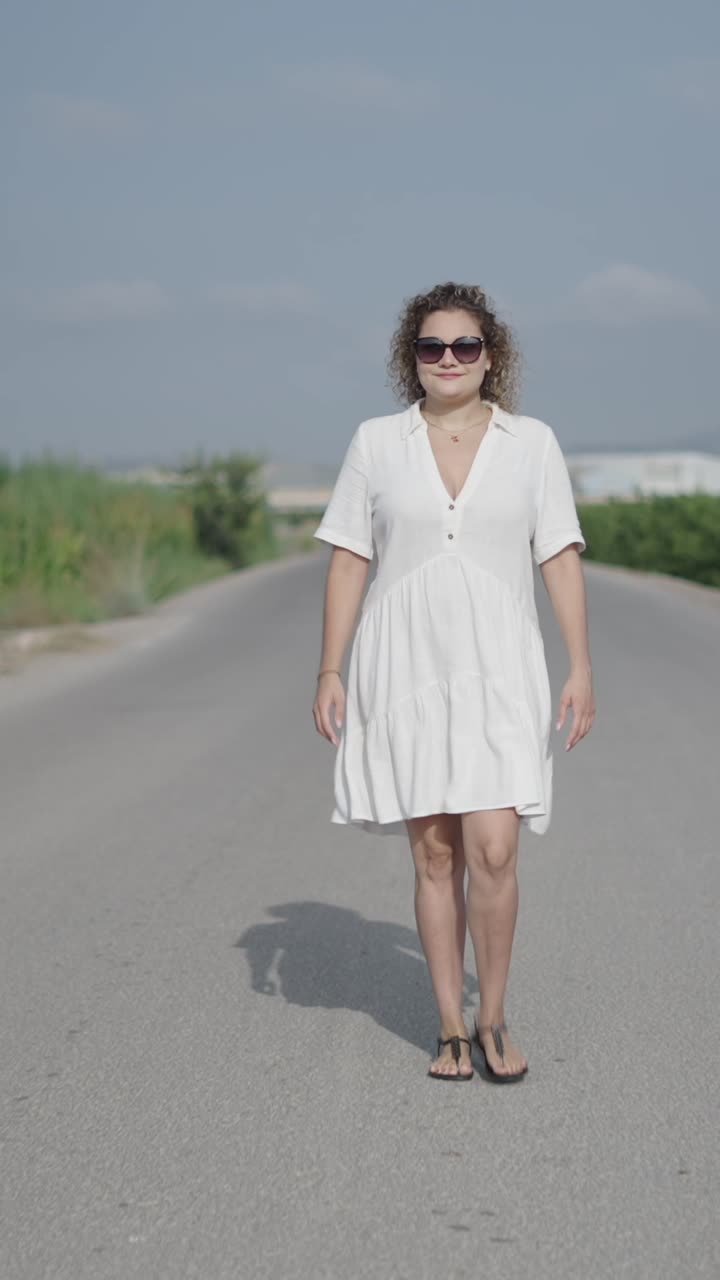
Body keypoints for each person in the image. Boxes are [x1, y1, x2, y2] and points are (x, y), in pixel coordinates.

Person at [312, 281, 595, 1083]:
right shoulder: (376, 442)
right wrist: (331, 668)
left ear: (490, 356)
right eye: (431, 347)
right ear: (413, 359)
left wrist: (580, 664)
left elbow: (559, 556)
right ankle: (449, 1027)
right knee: (436, 855)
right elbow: (349, 556)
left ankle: (494, 1015)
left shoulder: (531, 443)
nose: (448, 359)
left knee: (495, 848)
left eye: (464, 346)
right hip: (406, 665)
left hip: (500, 664)